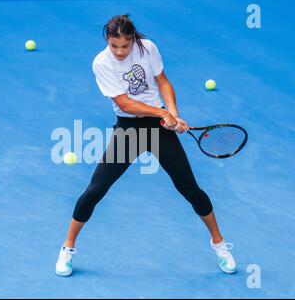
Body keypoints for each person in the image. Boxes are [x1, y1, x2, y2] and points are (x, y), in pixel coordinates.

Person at [56, 14, 236, 277]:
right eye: (113, 45)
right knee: (96, 188)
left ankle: (219, 243)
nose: (119, 51)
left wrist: (172, 113)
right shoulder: (101, 63)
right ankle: (67, 248)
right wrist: (163, 114)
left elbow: (163, 82)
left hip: (158, 127)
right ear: (107, 40)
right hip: (129, 128)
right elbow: (126, 104)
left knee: (189, 188)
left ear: (133, 40)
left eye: (124, 46)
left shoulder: (147, 48)